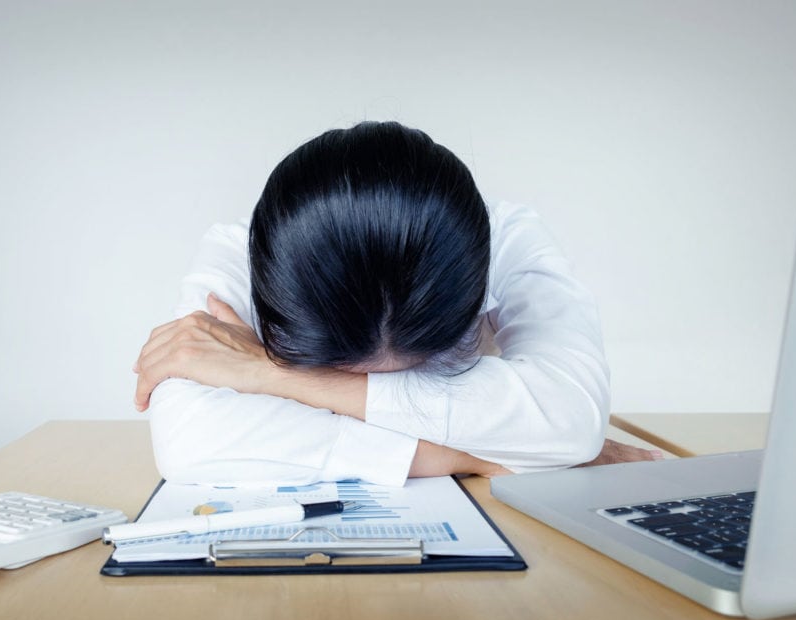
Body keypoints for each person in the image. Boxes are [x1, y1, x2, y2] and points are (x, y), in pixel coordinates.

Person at [133, 121, 659, 486]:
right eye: (333, 369)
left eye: (421, 369)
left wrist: (273, 376)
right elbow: (190, 442)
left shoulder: (508, 239)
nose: (357, 382)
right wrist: (464, 456)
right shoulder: (236, 252)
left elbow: (570, 419)